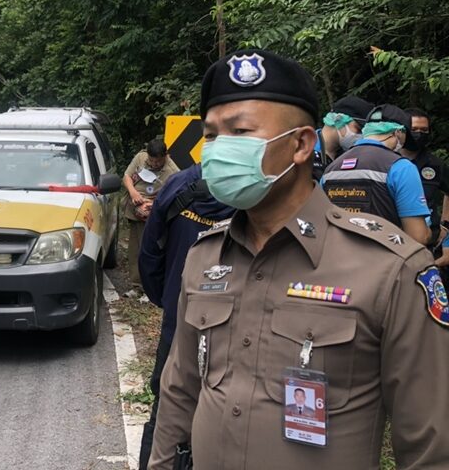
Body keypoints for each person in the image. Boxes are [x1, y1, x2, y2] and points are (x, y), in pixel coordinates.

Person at [149, 48, 449, 470]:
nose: (216, 151)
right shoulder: (204, 257)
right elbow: (180, 391)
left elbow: (430, 447)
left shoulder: (391, 269)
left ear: (301, 144)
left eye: (239, 131)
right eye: (212, 135)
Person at [137, 163, 234, 470]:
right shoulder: (260, 189)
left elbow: (150, 252)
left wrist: (166, 297)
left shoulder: (178, 185)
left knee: (167, 404)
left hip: (181, 315)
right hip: (238, 320)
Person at [322, 104, 431, 244]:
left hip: (339, 258)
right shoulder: (401, 167)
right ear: (398, 133)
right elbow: (418, 237)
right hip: (385, 262)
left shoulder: (331, 168)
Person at [123, 138, 180, 294]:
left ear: (166, 156)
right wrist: (133, 193)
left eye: (158, 162)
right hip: (135, 210)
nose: (154, 164)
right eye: (152, 161)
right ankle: (137, 285)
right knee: (135, 249)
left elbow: (178, 194)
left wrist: (155, 205)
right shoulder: (141, 158)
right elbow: (127, 176)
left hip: (154, 213)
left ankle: (151, 288)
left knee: (149, 250)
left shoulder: (173, 171)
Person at [401, 108, 449, 248]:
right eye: (414, 129)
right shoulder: (385, 161)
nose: (419, 134)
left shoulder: (435, 164)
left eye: (424, 130)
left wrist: (445, 225)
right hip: (394, 239)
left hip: (427, 242)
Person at [312, 96, 373, 179]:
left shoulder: (350, 156)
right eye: (358, 129)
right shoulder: (306, 152)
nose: (361, 136)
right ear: (338, 120)